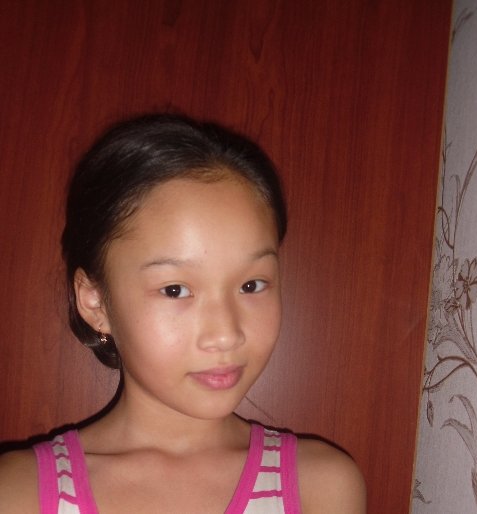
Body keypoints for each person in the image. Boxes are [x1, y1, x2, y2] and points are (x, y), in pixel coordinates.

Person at [0, 114, 366, 513]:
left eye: (251, 285)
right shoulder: (20, 493)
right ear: (95, 302)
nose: (226, 334)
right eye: (175, 290)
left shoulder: (321, 488)